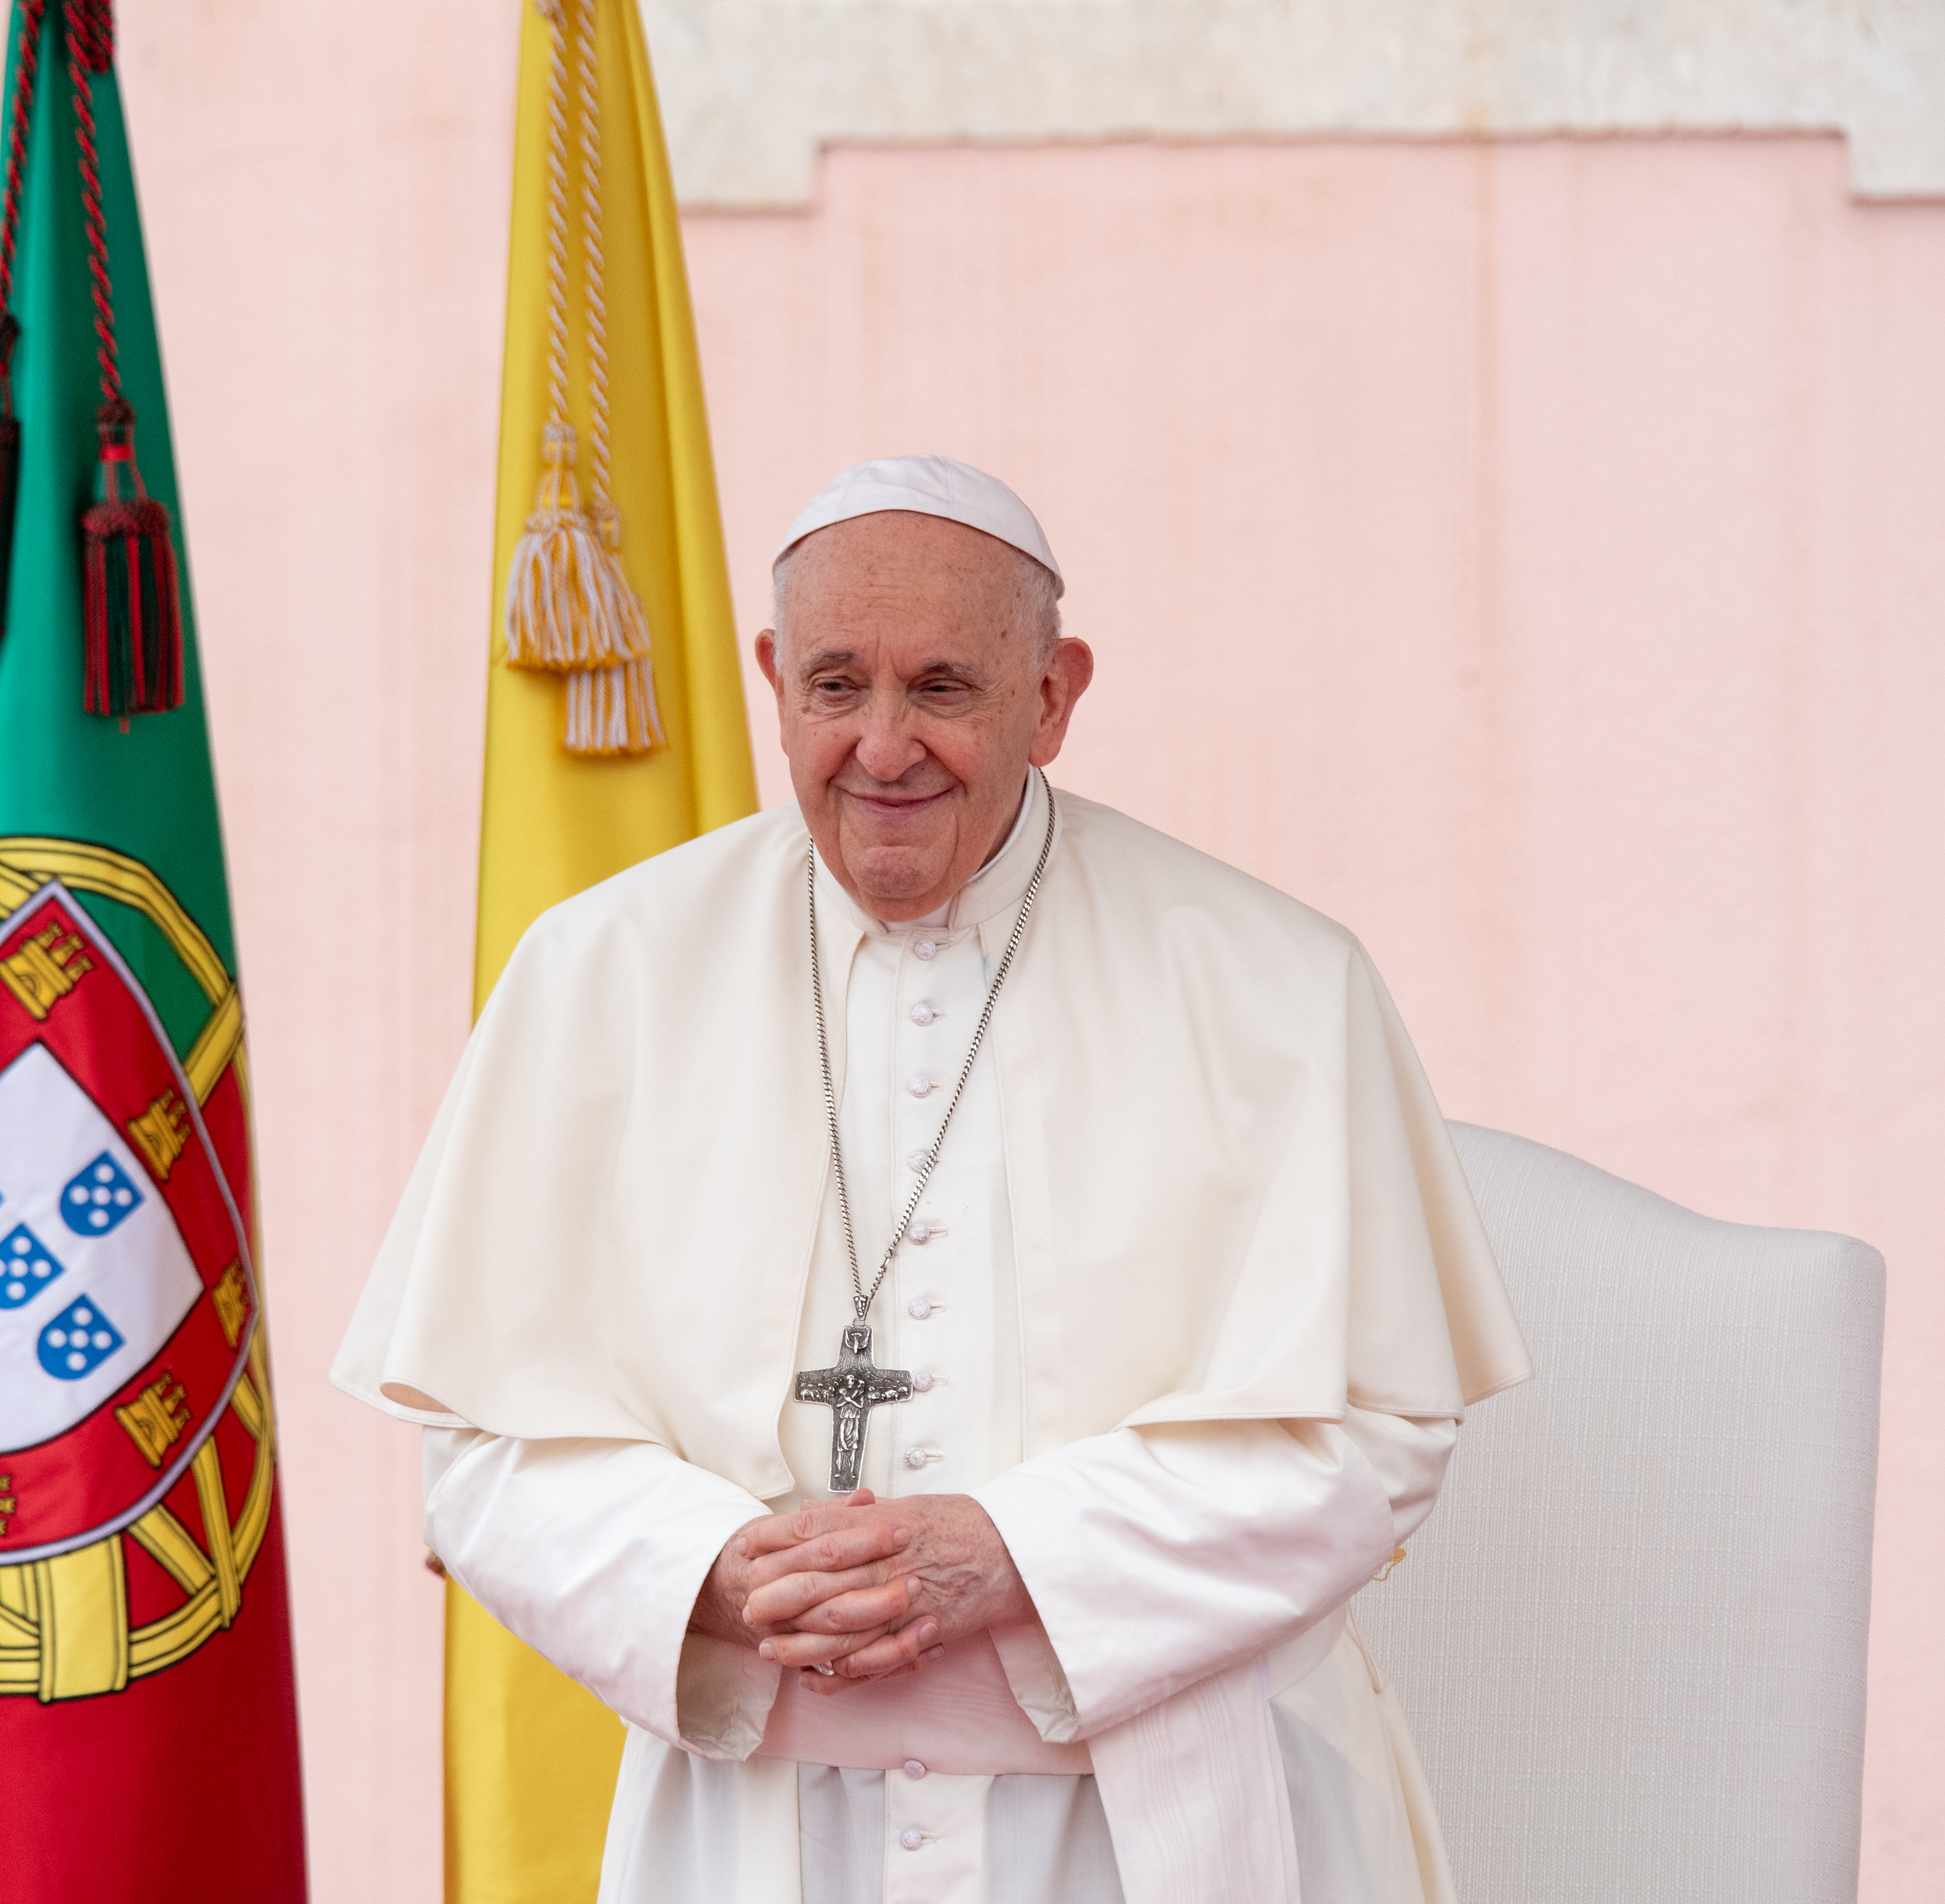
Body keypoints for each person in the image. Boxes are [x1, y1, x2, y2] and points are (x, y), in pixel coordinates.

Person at [335, 454, 1529, 1903]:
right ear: (773, 679)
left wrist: (1012, 1553)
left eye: (944, 689)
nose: (881, 748)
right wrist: (710, 1566)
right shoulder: (603, 972)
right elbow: (482, 1451)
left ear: (1053, 694)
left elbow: (1376, 1435)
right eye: (835, 687)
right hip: (756, 1837)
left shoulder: (1271, 982)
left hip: (1158, 1826)